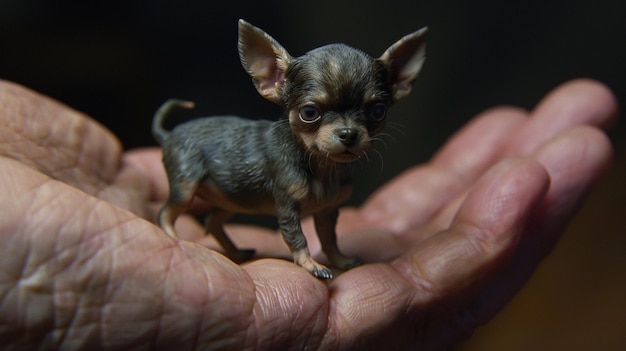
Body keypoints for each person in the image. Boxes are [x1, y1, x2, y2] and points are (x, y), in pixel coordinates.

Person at [0, 78, 616, 350]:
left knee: (321, 208)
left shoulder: (338, 169)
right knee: (193, 195)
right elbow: (290, 211)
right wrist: (302, 255)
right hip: (199, 150)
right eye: (318, 115)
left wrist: (337, 252)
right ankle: (170, 220)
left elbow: (326, 210)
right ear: (274, 83)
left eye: (369, 115)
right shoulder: (289, 164)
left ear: (397, 86)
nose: (347, 133)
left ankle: (237, 236)